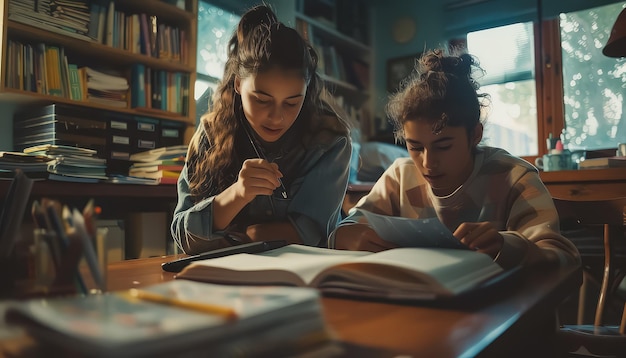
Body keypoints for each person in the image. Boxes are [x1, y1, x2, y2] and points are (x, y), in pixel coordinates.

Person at [329, 49, 580, 269]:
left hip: (505, 315)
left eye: (444, 146)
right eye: (415, 147)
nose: (427, 163)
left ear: (475, 135)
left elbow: (563, 259)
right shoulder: (400, 176)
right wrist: (347, 235)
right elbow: (347, 227)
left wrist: (508, 244)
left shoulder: (513, 177)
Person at [171, 5, 352, 255]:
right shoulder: (211, 134)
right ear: (237, 84)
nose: (276, 117)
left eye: (292, 102)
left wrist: (233, 235)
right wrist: (237, 194)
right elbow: (183, 236)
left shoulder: (329, 140)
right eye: (261, 99)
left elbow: (313, 235)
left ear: (307, 92)